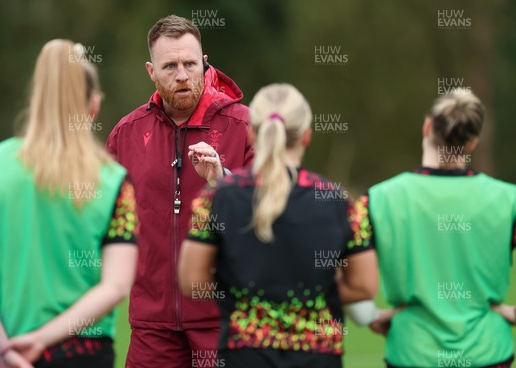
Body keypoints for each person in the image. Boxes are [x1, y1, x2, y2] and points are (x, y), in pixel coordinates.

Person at [0, 39, 138, 368]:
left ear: (37, 100)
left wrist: (2, 346)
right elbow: (116, 285)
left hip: (4, 351)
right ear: (93, 106)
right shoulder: (113, 181)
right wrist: (42, 340)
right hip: (84, 354)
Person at [178, 83, 378, 368]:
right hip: (317, 357)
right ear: (307, 136)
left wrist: (243, 291)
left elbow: (191, 280)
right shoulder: (338, 202)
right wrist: (311, 291)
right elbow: (364, 286)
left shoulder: (217, 198)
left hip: (244, 355)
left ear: (251, 133)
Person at [106, 15, 253, 367]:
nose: (182, 75)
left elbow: (268, 212)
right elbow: (103, 221)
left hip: (224, 321)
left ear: (204, 63)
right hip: (151, 325)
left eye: (190, 63)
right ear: (151, 71)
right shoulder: (125, 135)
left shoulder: (246, 126)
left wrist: (222, 179)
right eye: (169, 66)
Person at [363, 88, 516, 367]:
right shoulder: (509, 199)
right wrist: (509, 312)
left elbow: (345, 277)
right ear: (472, 143)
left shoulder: (379, 199)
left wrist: (367, 315)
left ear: (427, 126)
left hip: (411, 351)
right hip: (488, 353)